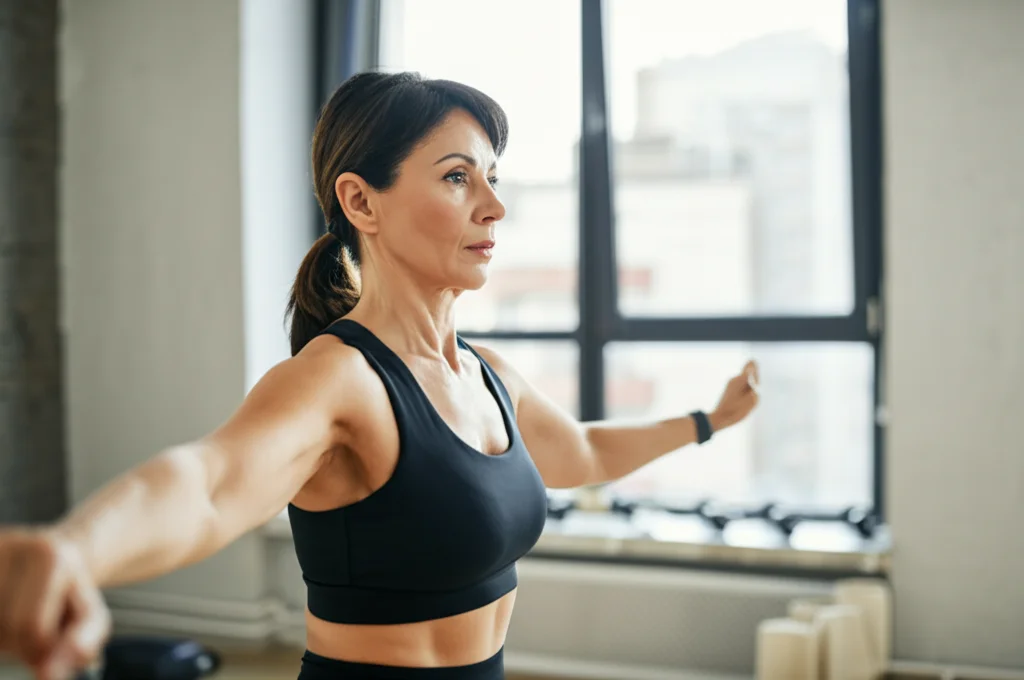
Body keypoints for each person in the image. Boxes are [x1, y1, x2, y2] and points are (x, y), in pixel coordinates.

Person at [0, 71, 759, 680]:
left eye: (493, 178)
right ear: (361, 200)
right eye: (459, 177)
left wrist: (707, 424)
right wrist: (76, 549)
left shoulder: (487, 374)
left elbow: (584, 455)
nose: (495, 207)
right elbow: (208, 485)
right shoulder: (339, 378)